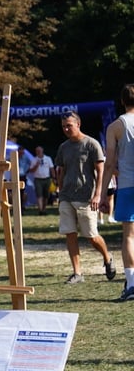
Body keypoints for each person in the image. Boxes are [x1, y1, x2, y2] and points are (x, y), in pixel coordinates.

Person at [55, 111, 115, 284]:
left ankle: (107, 257)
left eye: (69, 125)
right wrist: (60, 192)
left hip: (86, 197)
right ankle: (77, 273)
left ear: (78, 124)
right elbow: (62, 171)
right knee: (70, 234)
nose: (66, 129)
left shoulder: (91, 144)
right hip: (67, 196)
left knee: (91, 237)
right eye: (64, 126)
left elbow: (101, 171)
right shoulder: (63, 147)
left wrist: (98, 195)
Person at [101, 84, 134, 300]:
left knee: (129, 236)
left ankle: (131, 284)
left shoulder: (115, 126)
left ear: (122, 101)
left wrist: (102, 193)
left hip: (128, 184)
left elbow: (110, 162)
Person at [30, 146, 54, 215]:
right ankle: (40, 210)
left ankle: (44, 208)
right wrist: (36, 165)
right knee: (39, 195)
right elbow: (31, 170)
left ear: (42, 151)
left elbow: (51, 168)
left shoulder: (48, 159)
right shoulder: (34, 160)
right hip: (38, 179)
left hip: (46, 178)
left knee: (46, 195)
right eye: (37, 151)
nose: (38, 152)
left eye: (39, 151)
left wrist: (54, 177)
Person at [17, 146, 36, 211]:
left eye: (23, 152)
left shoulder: (25, 157)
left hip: (23, 176)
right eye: (20, 152)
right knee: (16, 192)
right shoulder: (14, 157)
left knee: (22, 191)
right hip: (16, 176)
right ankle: (16, 205)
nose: (22, 153)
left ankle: (22, 206)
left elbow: (31, 163)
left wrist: (27, 169)